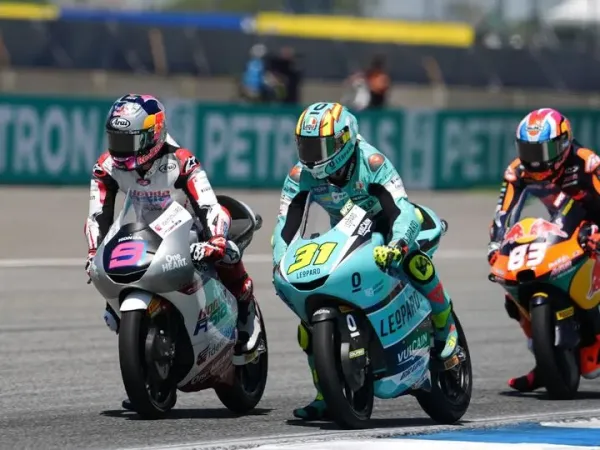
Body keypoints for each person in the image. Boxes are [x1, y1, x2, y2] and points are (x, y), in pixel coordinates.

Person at [271, 102, 459, 420]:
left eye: (320, 147)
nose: (312, 155)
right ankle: (325, 394)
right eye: (306, 145)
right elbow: (285, 226)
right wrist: (280, 261)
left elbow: (400, 209)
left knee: (411, 261)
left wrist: (398, 243)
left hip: (388, 224)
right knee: (307, 324)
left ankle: (444, 322)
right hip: (346, 231)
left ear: (344, 140)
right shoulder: (300, 175)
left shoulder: (371, 162)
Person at [84, 94, 261, 409]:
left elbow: (208, 204)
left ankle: (245, 310)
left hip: (188, 225)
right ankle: (146, 373)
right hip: (142, 230)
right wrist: (94, 252)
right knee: (110, 300)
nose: (120, 149)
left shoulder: (181, 161)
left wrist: (215, 240)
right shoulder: (106, 166)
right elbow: (98, 215)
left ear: (152, 136)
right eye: (116, 140)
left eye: (129, 141)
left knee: (226, 250)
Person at [487, 107, 600, 392]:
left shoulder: (586, 163)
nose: (535, 160)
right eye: (529, 150)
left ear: (563, 144)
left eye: (543, 150)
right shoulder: (517, 171)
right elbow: (503, 213)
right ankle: (545, 359)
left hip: (593, 229)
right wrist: (496, 243)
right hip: (562, 230)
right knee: (514, 292)